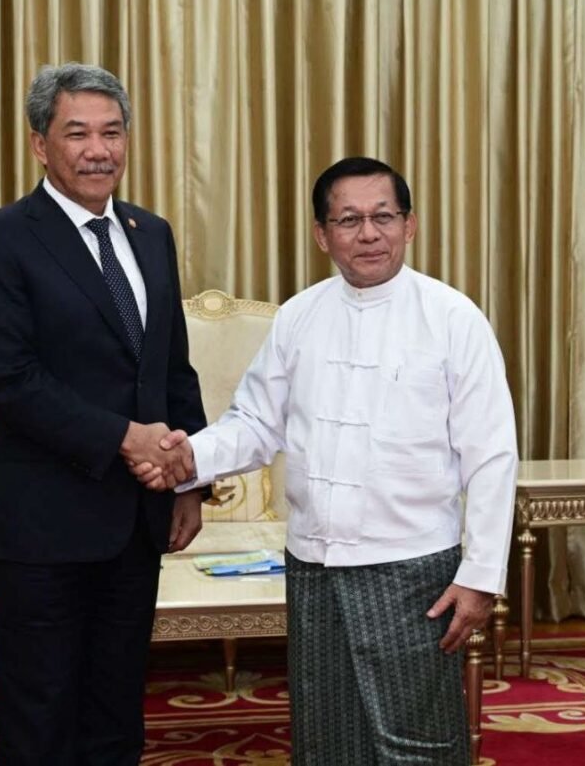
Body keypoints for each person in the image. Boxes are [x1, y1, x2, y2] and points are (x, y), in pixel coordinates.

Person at [134, 156, 518, 765]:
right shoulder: (299, 315)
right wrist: (186, 458)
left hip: (413, 569)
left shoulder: (453, 319)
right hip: (314, 568)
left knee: (417, 745)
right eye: (348, 220)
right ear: (322, 234)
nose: (369, 234)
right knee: (326, 740)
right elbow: (255, 424)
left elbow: (492, 456)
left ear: (410, 224)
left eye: (383, 217)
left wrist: (480, 576)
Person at [0, 62, 202, 765]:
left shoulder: (150, 232)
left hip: (137, 519)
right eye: (77, 133)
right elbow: (5, 376)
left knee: (116, 709)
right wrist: (124, 437)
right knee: (41, 714)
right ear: (40, 144)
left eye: (112, 132)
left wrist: (191, 480)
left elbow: (172, 368)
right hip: (43, 521)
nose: (99, 150)